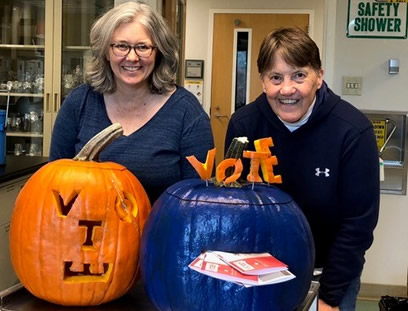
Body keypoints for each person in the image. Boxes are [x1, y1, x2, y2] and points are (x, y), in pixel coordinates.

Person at [225, 27, 379, 311]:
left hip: (328, 276)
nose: (287, 89)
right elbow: (233, 207)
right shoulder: (243, 126)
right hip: (257, 274)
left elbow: (358, 224)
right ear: (262, 81)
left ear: (318, 76)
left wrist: (330, 297)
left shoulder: (353, 131)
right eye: (275, 77)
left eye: (299, 75)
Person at [49, 1, 214, 204]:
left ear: (158, 52)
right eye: (121, 46)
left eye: (143, 47)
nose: (132, 57)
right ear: (106, 52)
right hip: (82, 232)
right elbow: (52, 183)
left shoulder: (187, 113)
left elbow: (200, 200)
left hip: (161, 234)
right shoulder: (79, 103)